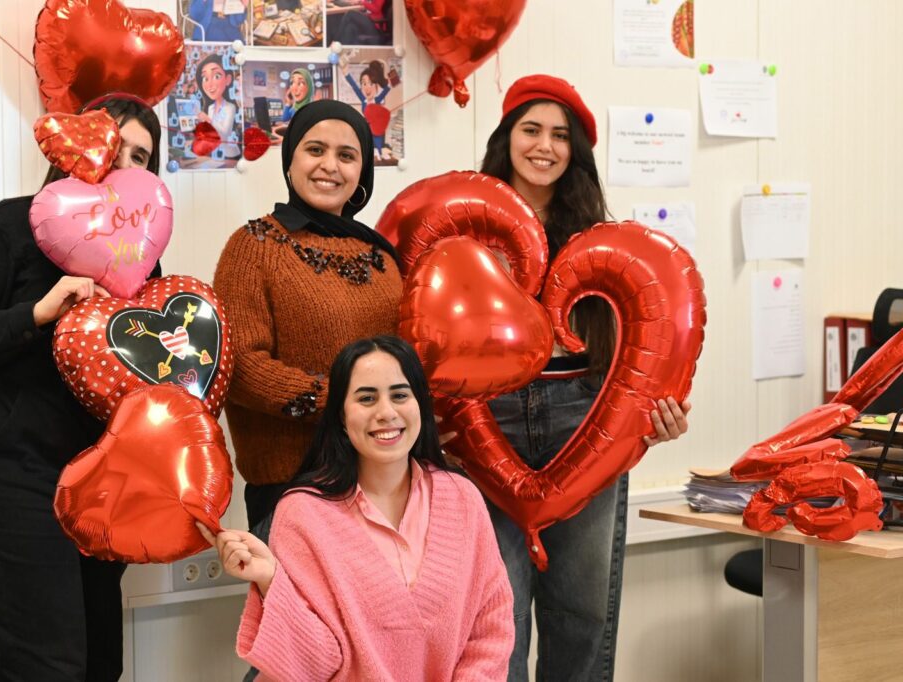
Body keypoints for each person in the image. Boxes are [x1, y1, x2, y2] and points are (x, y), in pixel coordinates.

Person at [0, 94, 162, 682]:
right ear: (77, 148)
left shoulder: (139, 254)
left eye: (141, 157)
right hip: (14, 474)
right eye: (116, 147)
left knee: (96, 662)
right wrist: (38, 312)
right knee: (48, 664)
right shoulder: (8, 224)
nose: (126, 165)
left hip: (103, 483)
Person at [473, 75, 692, 681]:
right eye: (531, 130)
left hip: (584, 421)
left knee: (582, 612)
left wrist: (659, 413)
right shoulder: (466, 227)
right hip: (487, 425)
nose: (544, 146)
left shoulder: (600, 240)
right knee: (496, 618)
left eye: (560, 135)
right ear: (507, 138)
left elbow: (642, 349)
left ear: (577, 152)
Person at [197, 335, 514, 679]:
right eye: (366, 398)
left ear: (421, 405)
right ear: (342, 417)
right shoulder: (303, 514)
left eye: (400, 395)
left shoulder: (463, 498)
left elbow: (490, 630)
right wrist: (269, 578)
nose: (386, 413)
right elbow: (315, 664)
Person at [213, 99, 401, 535]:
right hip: (295, 488)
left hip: (385, 478)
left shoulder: (382, 256)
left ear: (362, 172)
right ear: (290, 160)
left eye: (346, 155)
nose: (329, 166)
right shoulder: (253, 246)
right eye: (315, 150)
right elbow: (240, 368)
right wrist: (347, 402)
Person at [341, 59, 392, 156]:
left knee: (378, 150)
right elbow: (354, 87)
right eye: (364, 83)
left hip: (377, 129)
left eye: (371, 83)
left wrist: (390, 82)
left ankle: (379, 154)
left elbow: (386, 91)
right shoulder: (363, 99)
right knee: (367, 149)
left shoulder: (377, 100)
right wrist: (346, 73)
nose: (367, 88)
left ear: (376, 85)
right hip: (367, 128)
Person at [196, 53, 238, 141]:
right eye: (205, 78)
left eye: (216, 76)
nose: (210, 84)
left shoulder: (230, 107)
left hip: (228, 149)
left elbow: (225, 134)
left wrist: (208, 119)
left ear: (228, 79)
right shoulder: (210, 108)